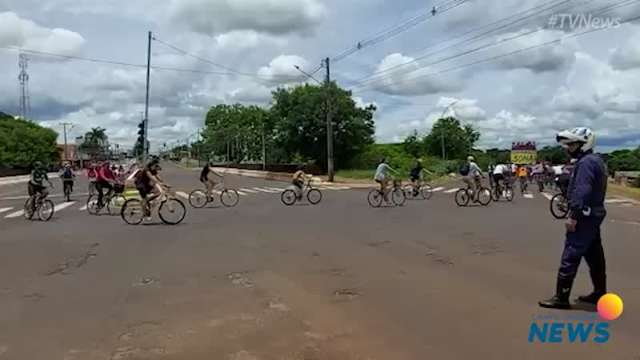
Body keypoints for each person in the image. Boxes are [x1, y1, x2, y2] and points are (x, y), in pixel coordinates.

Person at [539, 127, 608, 309]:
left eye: (572, 144)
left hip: (584, 216)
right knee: (594, 256)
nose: (568, 148)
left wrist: (573, 215)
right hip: (594, 215)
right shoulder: (596, 161)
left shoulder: (585, 163)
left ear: (584, 144)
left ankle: (561, 298)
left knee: (571, 254)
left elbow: (582, 190)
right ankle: (599, 293)